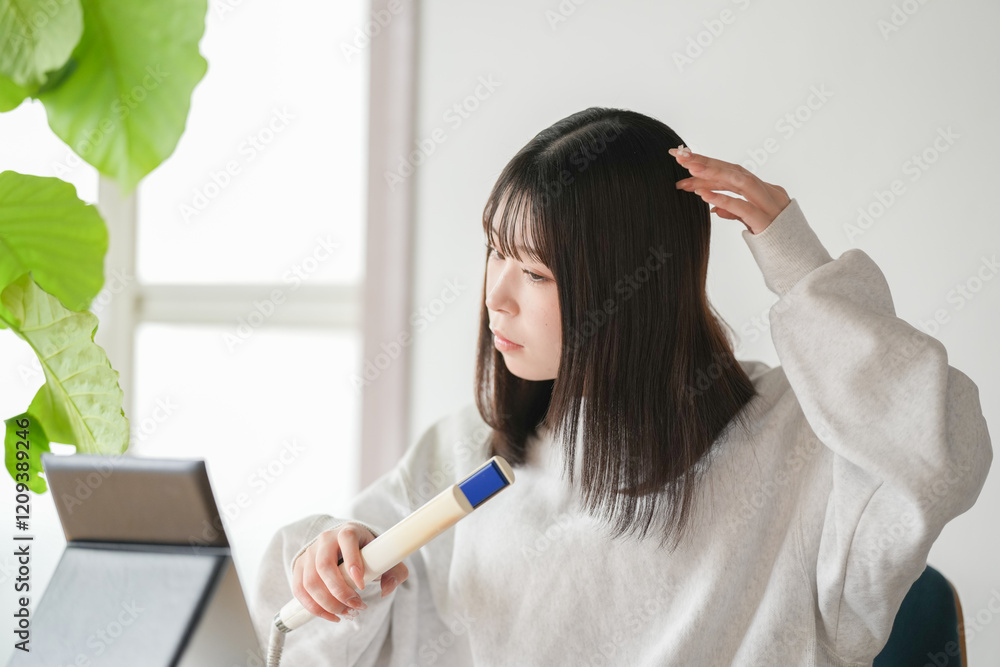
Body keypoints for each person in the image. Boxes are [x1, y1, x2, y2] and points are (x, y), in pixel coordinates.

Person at [251, 107, 993, 665]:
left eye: (535, 273)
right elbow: (302, 632)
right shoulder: (467, 453)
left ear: (630, 292)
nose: (496, 298)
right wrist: (332, 565)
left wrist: (799, 265)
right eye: (495, 253)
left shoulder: (794, 448)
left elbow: (933, 453)